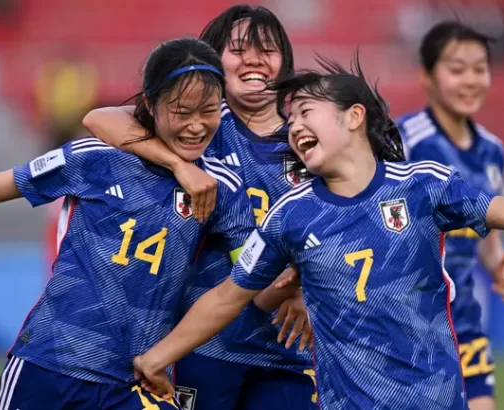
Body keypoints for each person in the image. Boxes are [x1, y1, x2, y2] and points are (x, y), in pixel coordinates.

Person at [131, 56, 504, 410]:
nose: (293, 126)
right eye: (290, 117)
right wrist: (157, 357)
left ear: (354, 117)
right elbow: (228, 296)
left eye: (305, 112)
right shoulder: (291, 215)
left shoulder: (422, 185)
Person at [0, 38, 258, 410]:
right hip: (48, 366)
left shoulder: (223, 189)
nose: (196, 125)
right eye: (181, 111)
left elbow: (246, 282)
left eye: (208, 110)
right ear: (150, 105)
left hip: (132, 380)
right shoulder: (95, 158)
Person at [83, 5, 316, 410]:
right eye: (239, 49)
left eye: (268, 49)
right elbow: (100, 119)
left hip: (287, 349)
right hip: (203, 345)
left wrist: (299, 282)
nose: (255, 60)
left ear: (286, 64)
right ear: (215, 60)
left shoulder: (308, 135)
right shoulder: (201, 124)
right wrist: (179, 165)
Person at [396, 22, 504, 410]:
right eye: (456, 68)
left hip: (463, 314)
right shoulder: (403, 140)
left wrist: (498, 264)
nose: (470, 80)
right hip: (408, 319)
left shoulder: (492, 150)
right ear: (426, 76)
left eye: (479, 68)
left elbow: (483, 224)